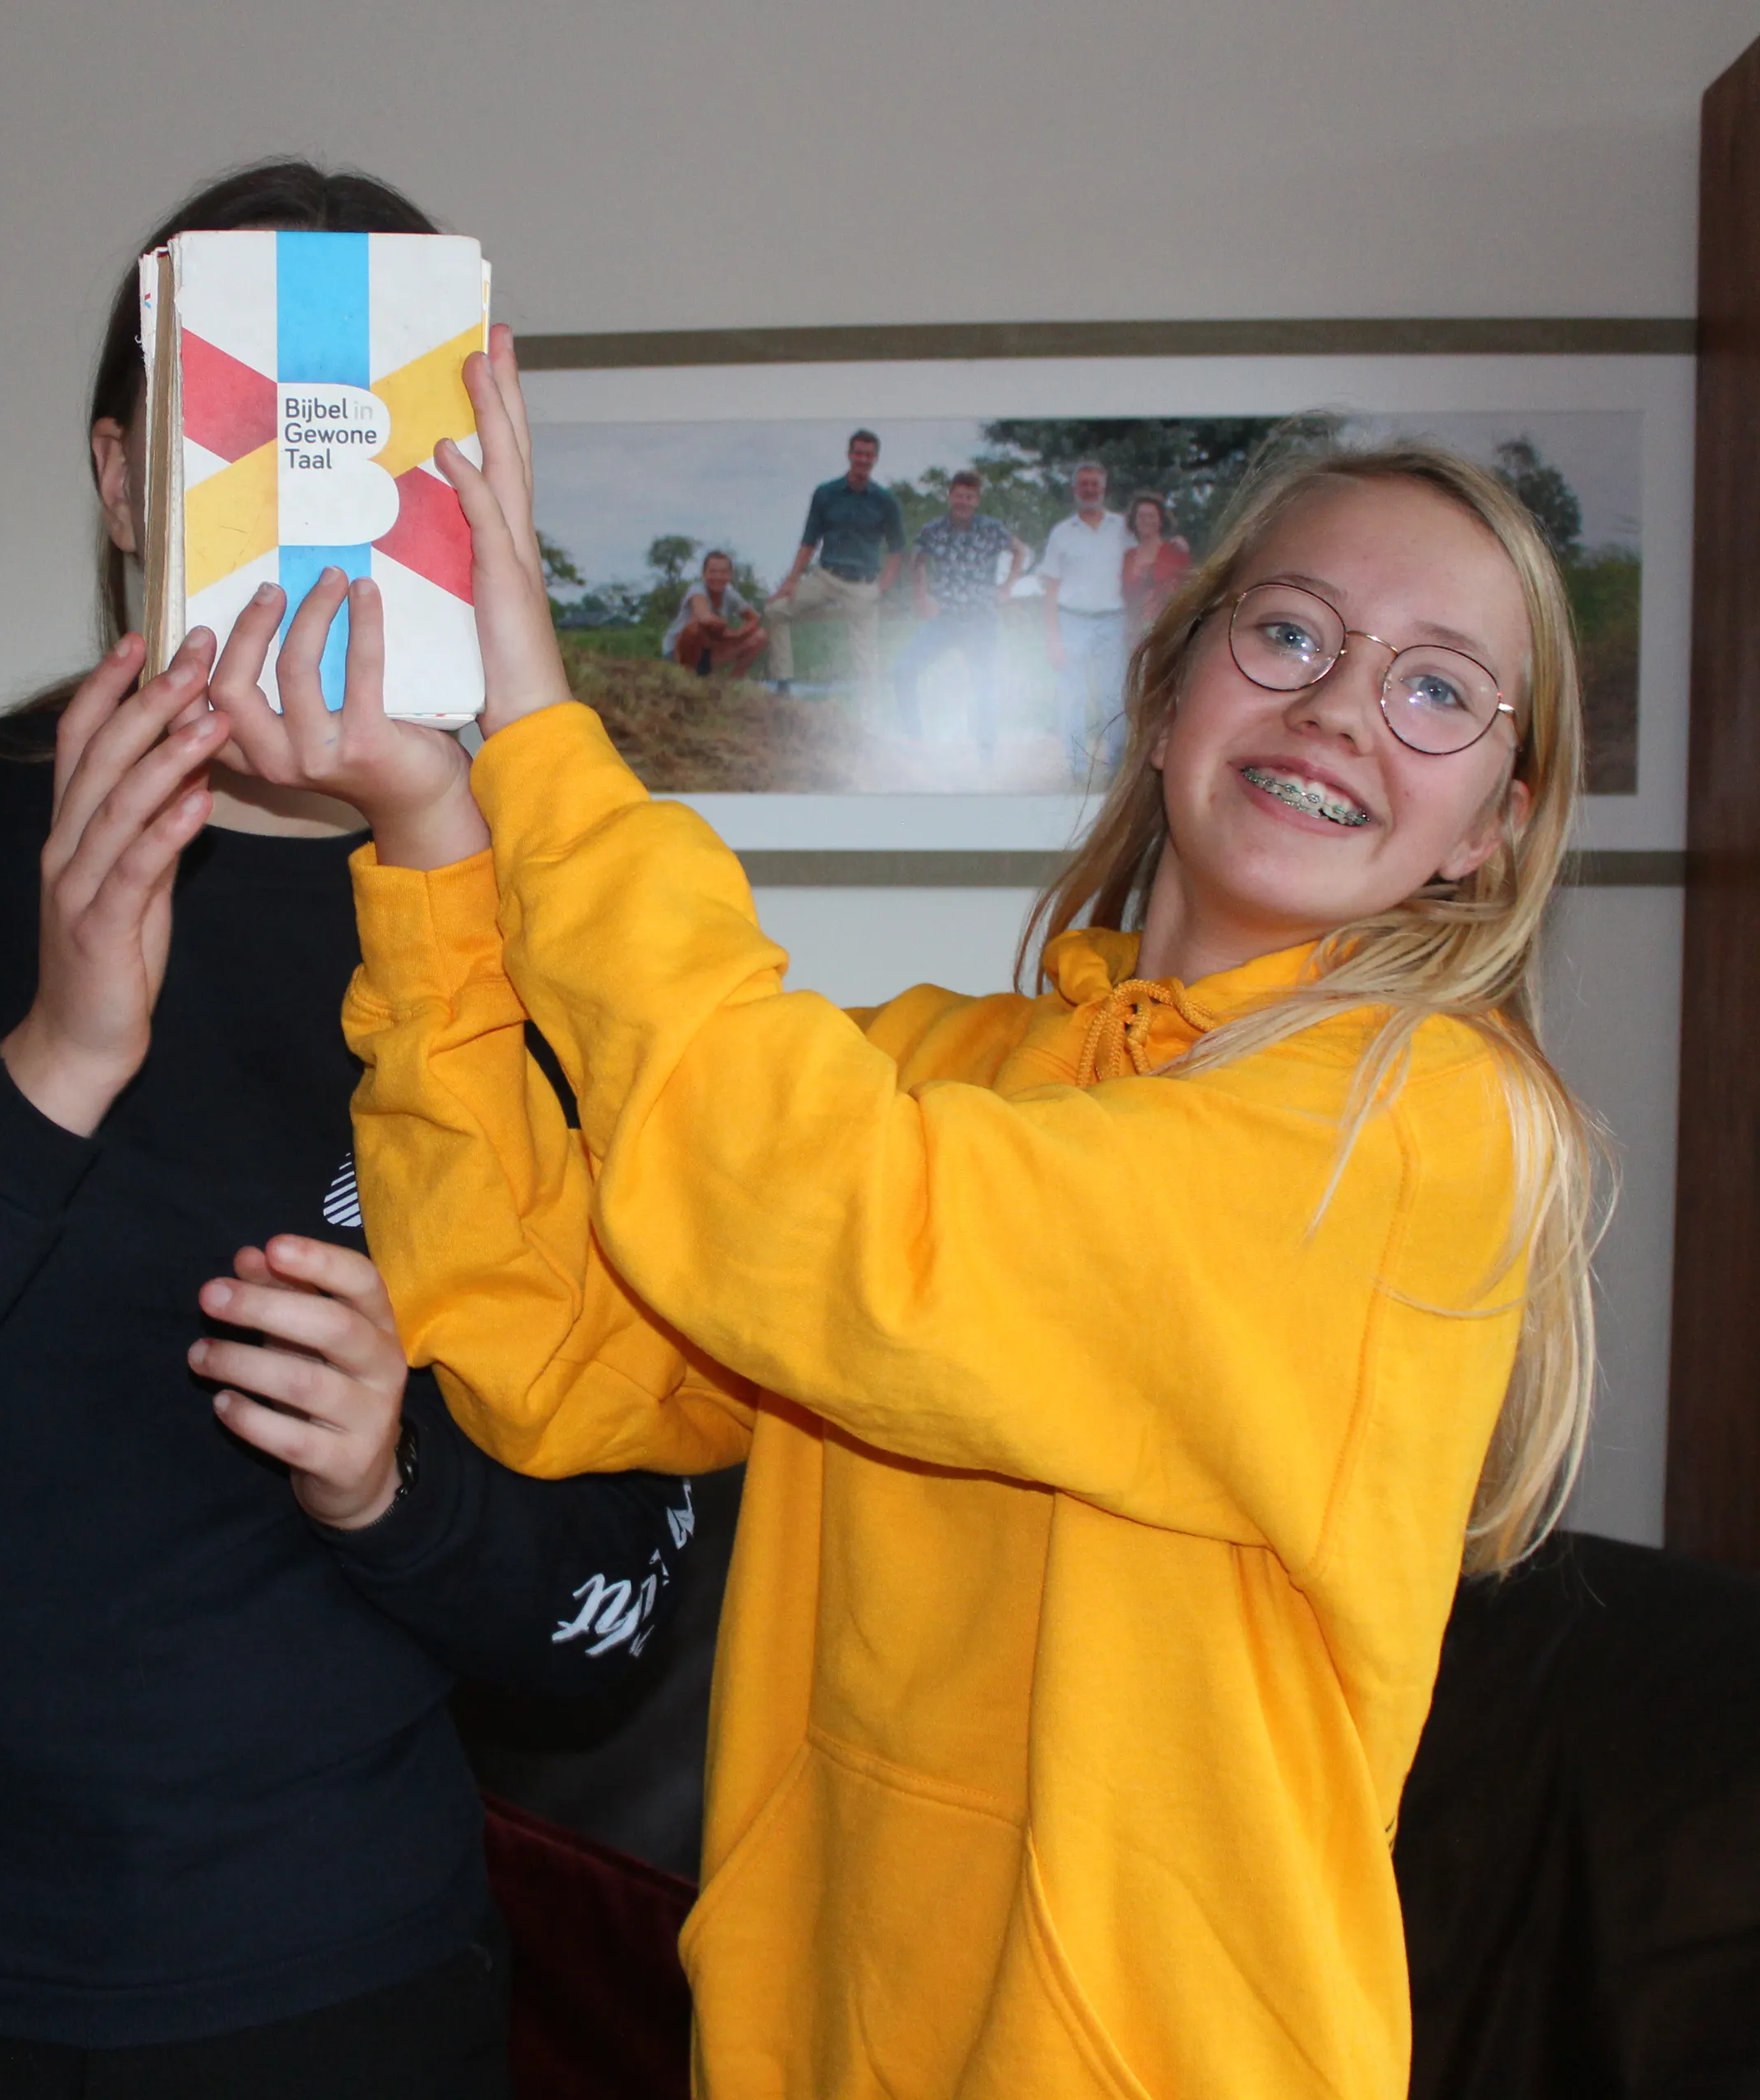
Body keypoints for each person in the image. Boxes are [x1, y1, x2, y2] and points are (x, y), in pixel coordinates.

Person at [217, 331, 1603, 2099]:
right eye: (1290, 633)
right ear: (1172, 685)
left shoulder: (1418, 1125)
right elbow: (551, 1350)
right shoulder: (942, 1067)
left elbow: (849, 1225)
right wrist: (431, 829)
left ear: (1496, 824)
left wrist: (541, 741)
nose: (1339, 706)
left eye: (1439, 689)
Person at [0, 163, 706, 2100]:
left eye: (394, 471)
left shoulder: (570, 936)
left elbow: (607, 1628)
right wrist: (51, 1060)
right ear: (125, 485)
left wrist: (394, 1484)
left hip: (333, 1991)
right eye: (254, 457)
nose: (323, 536)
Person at [760, 429, 906, 698]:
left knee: (866, 660)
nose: (863, 459)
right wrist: (792, 581)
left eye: (869, 455)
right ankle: (783, 685)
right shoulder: (826, 493)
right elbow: (809, 541)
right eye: (859, 453)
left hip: (862, 584)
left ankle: (869, 715)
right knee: (776, 610)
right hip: (825, 577)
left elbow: (897, 550)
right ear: (849, 455)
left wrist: (881, 588)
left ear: (876, 459)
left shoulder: (886, 501)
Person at [892, 468, 1019, 746]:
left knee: (985, 685)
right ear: (950, 497)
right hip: (945, 618)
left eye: (970, 497)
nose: (964, 502)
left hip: (980, 619)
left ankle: (986, 754)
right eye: (959, 496)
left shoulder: (991, 528)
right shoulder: (933, 529)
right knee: (903, 670)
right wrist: (921, 596)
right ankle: (916, 740)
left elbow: (1019, 550)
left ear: (977, 500)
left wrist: (1008, 585)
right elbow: (917, 563)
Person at [1029, 459, 1135, 781]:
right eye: (1084, 484)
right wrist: (1053, 637)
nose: (1090, 490)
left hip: (1114, 620)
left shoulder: (1123, 528)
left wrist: (1177, 544)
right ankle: (1076, 767)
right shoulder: (1062, 532)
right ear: (1075, 489)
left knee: (1113, 696)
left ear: (1104, 489)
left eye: (1095, 484)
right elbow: (1051, 586)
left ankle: (1117, 767)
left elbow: (1146, 559)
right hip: (1071, 620)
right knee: (1072, 696)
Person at [661, 547, 765, 677]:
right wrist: (725, 629)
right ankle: (688, 673)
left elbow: (754, 618)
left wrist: (739, 634)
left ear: (730, 575)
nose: (718, 577)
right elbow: (704, 618)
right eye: (713, 571)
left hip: (710, 649)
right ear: (704, 574)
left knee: (760, 636)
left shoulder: (730, 592)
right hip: (678, 651)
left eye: (723, 572)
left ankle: (734, 681)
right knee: (695, 629)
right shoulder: (697, 589)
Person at [1120, 487, 1192, 641]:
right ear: (1134, 520)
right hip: (1135, 633)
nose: (1146, 520)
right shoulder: (1128, 556)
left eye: (1151, 516)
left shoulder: (1175, 551)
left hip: (1167, 629)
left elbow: (1187, 591)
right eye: (1141, 516)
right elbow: (1126, 596)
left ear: (1160, 521)